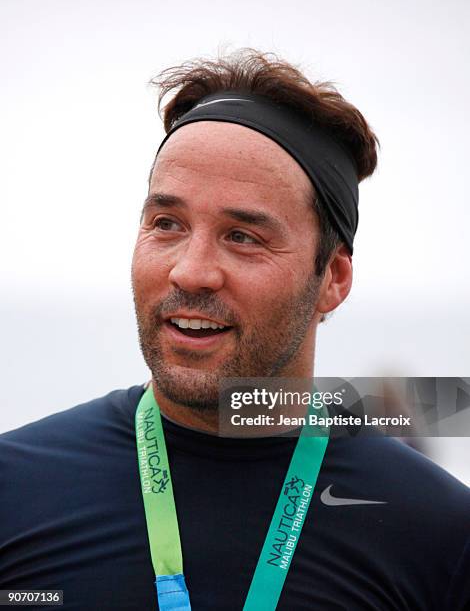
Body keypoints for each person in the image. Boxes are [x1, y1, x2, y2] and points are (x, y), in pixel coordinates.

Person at [1, 49, 469, 611]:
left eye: (243, 236)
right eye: (167, 224)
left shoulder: (440, 533)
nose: (191, 270)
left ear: (333, 278)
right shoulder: (14, 487)